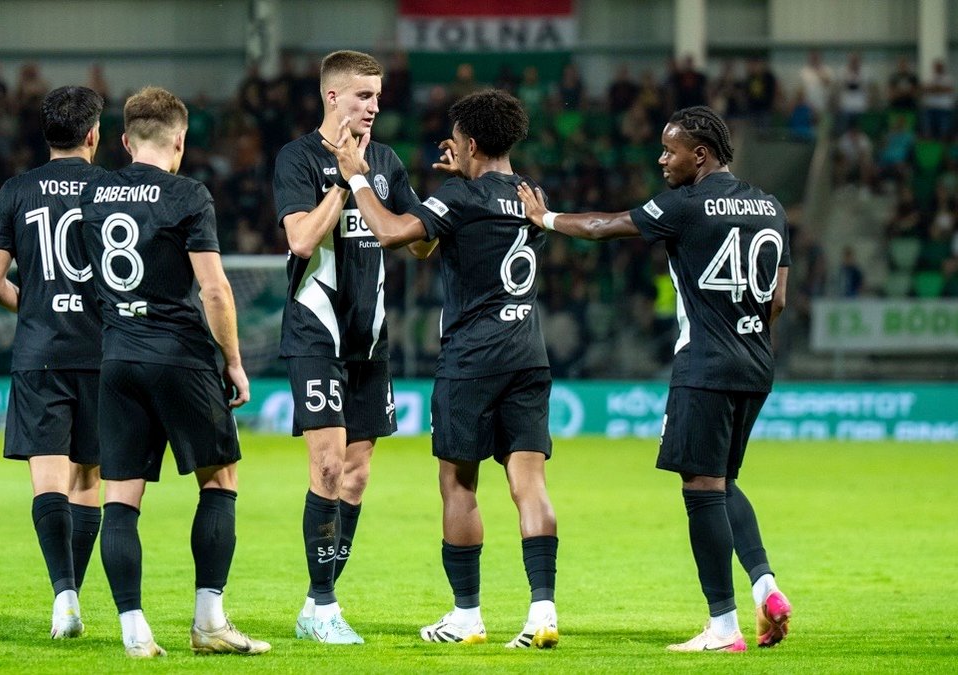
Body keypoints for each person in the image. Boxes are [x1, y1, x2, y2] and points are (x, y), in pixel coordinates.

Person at [514, 105, 792, 652]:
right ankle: (766, 587)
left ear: (700, 155)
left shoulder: (686, 204)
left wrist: (544, 219)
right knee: (722, 480)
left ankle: (723, 627)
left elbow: (604, 227)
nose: (662, 160)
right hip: (756, 361)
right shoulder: (771, 205)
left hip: (705, 363)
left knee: (701, 489)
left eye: (670, 151)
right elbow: (778, 299)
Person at [323, 88, 560, 649]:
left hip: (471, 361)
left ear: (471, 143)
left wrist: (357, 177)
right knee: (529, 485)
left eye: (455, 141)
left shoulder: (459, 196)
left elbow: (390, 234)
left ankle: (466, 616)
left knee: (458, 483)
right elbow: (450, 233)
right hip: (528, 355)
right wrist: (460, 182)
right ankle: (542, 612)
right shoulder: (532, 195)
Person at [77, 86, 269, 658]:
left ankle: (134, 631)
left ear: (124, 141)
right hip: (180, 355)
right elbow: (214, 289)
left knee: (120, 497)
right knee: (219, 480)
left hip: (118, 357)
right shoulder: (187, 194)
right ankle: (208, 623)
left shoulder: (94, 194)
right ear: (180, 140)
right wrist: (233, 361)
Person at [272, 49, 421, 644]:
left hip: (370, 338)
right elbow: (301, 240)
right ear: (333, 97)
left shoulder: (387, 162)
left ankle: (318, 604)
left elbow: (418, 240)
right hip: (315, 331)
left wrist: (452, 203)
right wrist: (343, 177)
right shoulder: (297, 158)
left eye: (378, 96)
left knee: (355, 478)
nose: (374, 106)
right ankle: (324, 604)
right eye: (363, 95)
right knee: (328, 465)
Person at [0, 85, 107, 640]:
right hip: (101, 353)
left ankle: (63, 596)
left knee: (48, 480)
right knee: (88, 481)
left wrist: (33, 305)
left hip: (40, 354)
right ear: (94, 134)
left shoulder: (17, 190)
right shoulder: (114, 189)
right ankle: (74, 595)